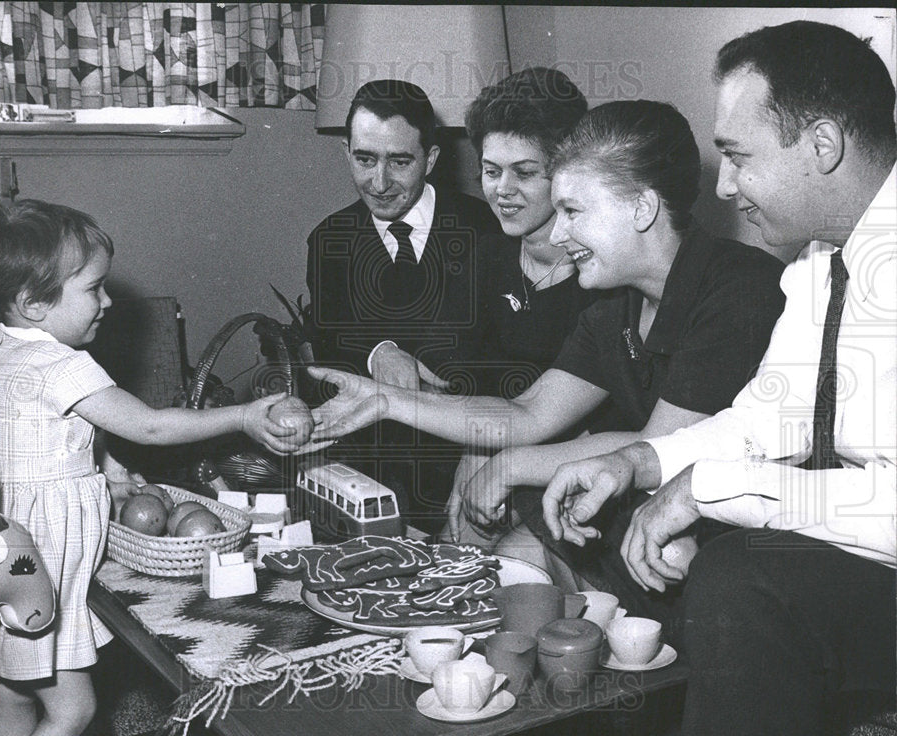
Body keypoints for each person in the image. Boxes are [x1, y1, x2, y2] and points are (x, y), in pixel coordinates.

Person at [540, 21, 896, 736]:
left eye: (737, 155)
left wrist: (709, 489)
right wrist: (638, 463)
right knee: (728, 563)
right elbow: (767, 421)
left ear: (822, 145)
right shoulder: (818, 264)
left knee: (745, 579)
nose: (724, 186)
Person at [309, 100, 786, 573]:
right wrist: (387, 400)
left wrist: (510, 465)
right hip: (632, 508)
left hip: (741, 539)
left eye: (573, 211)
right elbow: (528, 413)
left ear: (642, 207)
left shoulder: (740, 287)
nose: (558, 235)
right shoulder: (615, 303)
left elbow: (658, 445)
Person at [0, 198, 305, 736]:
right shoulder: (67, 366)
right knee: (72, 708)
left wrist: (110, 469)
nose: (108, 301)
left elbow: (40, 438)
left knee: (11, 693)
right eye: (93, 289)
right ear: (33, 303)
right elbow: (149, 424)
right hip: (41, 572)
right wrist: (245, 416)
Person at [305, 79, 499, 529]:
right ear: (346, 153)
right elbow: (333, 335)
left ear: (430, 159)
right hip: (375, 468)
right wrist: (381, 351)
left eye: (400, 161)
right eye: (365, 159)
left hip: (472, 455)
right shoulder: (327, 240)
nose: (379, 182)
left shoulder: (486, 228)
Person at [443, 67, 602, 542]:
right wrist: (471, 462)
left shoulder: (601, 278)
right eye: (491, 172)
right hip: (494, 454)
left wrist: (497, 469)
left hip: (573, 473)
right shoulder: (486, 258)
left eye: (525, 173)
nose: (502, 190)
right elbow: (475, 383)